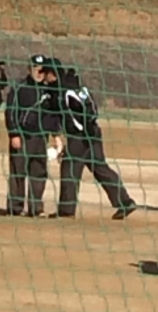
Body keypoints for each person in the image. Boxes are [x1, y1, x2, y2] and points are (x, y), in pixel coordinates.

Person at [55, 67, 136, 220]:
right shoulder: (83, 90)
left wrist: (79, 129)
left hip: (80, 136)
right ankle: (125, 201)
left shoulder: (66, 93)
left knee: (70, 169)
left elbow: (77, 114)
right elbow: (92, 111)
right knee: (101, 168)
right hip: (94, 133)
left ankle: (66, 210)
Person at [5, 53, 61, 217]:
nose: (39, 73)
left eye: (42, 70)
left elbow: (52, 115)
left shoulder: (48, 90)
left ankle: (36, 208)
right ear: (29, 69)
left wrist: (56, 136)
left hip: (40, 138)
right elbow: (11, 111)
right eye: (36, 68)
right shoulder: (19, 88)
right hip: (22, 136)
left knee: (39, 172)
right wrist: (14, 133)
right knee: (18, 172)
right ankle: (15, 207)